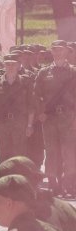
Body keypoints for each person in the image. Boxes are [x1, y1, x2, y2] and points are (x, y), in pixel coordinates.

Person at [33, 41, 76, 197]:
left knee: (69, 152)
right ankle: (53, 184)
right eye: (55, 50)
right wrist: (40, 112)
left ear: (66, 52)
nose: (57, 52)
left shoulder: (73, 72)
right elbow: (36, 95)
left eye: (60, 50)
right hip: (49, 118)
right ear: (51, 52)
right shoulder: (44, 73)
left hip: (68, 118)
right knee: (51, 151)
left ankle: (68, 184)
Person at [0, 57, 35, 163]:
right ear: (4, 65)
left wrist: (30, 125)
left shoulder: (25, 82)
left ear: (18, 65)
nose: (10, 67)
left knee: (20, 155)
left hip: (20, 123)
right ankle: (5, 179)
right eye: (8, 64)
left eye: (13, 64)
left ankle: (19, 179)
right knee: (3, 155)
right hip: (2, 124)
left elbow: (31, 105)